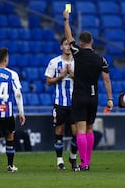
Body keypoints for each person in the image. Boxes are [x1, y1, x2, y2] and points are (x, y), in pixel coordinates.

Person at [63, 9, 113, 171]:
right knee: (90, 128)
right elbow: (106, 79)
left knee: (81, 130)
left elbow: (69, 37)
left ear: (81, 43)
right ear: (91, 42)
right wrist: (110, 99)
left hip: (79, 95)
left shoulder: (77, 53)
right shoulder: (101, 59)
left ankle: (83, 162)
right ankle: (88, 162)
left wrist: (66, 19)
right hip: (94, 96)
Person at [44, 37, 79, 171]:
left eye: (70, 45)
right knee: (59, 130)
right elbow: (48, 81)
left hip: (75, 103)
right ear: (61, 47)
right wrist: (61, 76)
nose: (68, 47)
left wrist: (72, 74)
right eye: (65, 44)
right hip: (60, 102)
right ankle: (59, 160)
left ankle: (73, 157)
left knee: (76, 132)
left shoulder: (78, 62)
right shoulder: (54, 62)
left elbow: (83, 81)